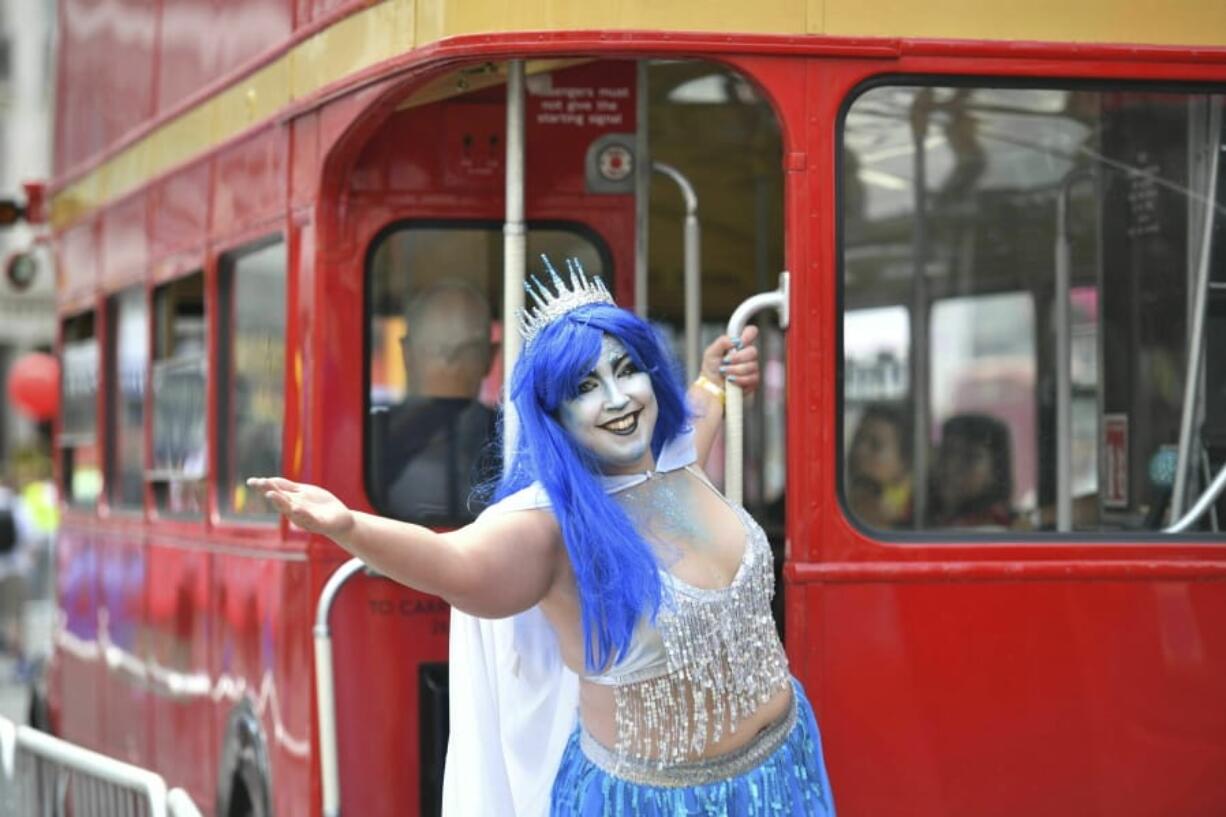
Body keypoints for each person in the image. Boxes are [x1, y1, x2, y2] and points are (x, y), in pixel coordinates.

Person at [251, 257, 834, 816]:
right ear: (552, 416)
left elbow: (700, 407)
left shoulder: (677, 459)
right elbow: (452, 561)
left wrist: (714, 377)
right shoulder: (551, 527)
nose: (617, 398)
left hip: (786, 768)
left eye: (627, 369)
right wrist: (349, 526)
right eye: (585, 386)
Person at [371, 280, 498, 522]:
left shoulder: (513, 436)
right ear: (407, 353)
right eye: (435, 348)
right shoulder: (375, 438)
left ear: (490, 356)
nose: (450, 365)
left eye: (467, 349)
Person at [931, 412, 1015, 529]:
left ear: (996, 472)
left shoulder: (992, 530)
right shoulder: (937, 520)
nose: (951, 467)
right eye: (947, 453)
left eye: (969, 457)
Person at [846, 404, 912, 529]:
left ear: (903, 462)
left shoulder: (907, 517)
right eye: (858, 439)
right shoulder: (843, 504)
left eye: (875, 445)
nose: (860, 451)